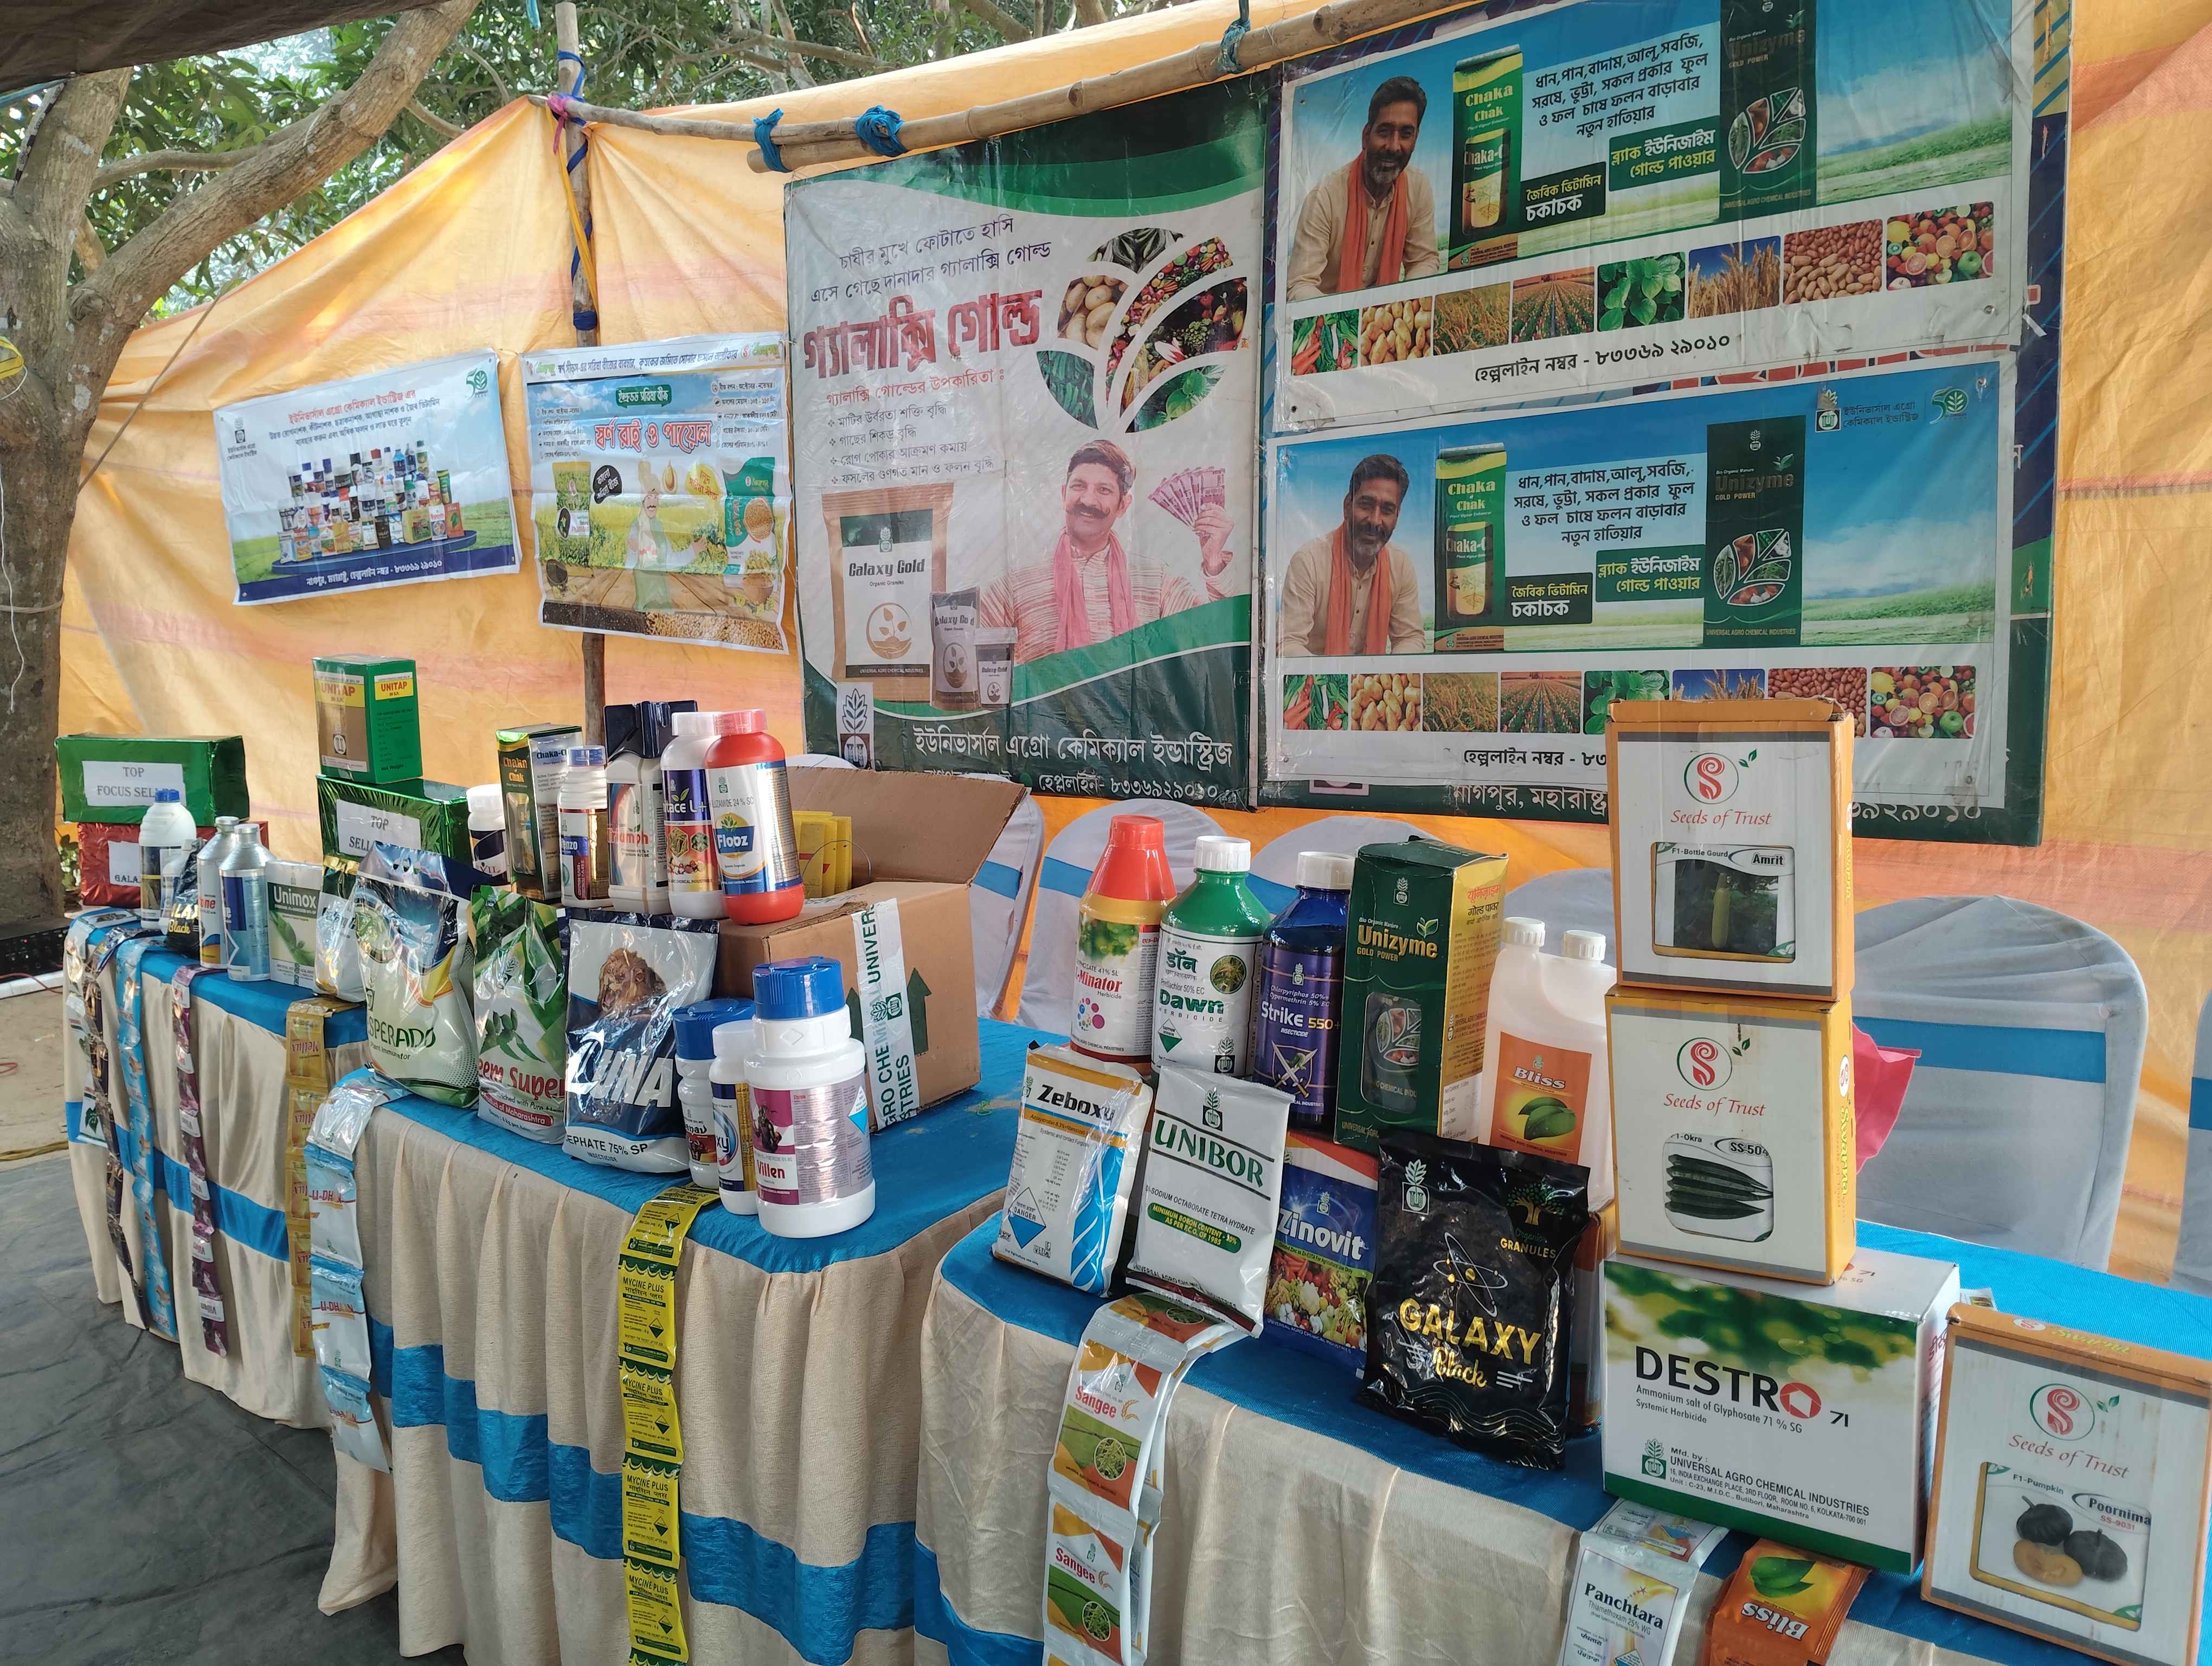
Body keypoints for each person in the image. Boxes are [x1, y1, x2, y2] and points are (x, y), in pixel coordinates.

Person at [981, 440, 1233, 664]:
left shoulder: (1156, 582)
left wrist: (1213, 562)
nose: (1088, 500)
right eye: (1079, 486)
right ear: (1064, 494)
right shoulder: (1018, 583)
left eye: (1104, 490)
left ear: (1123, 505)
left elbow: (1217, 638)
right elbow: (968, 653)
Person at [1285, 75, 1443, 306]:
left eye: (1406, 134)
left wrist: (1405, 307)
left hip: (1385, 322)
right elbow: (1300, 285)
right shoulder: (1325, 198)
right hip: (1331, 320)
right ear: (1366, 136)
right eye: (1384, 132)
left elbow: (1424, 260)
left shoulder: (1418, 188)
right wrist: (1344, 319)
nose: (1394, 147)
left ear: (1416, 139)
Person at [1277, 453, 1425, 656]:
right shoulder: (1309, 561)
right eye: (1366, 505)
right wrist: (1329, 676)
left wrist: (1388, 673)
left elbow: (1410, 638)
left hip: (1373, 678)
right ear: (1348, 506)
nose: (1375, 521)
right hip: (1316, 677)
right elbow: (1288, 643)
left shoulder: (1400, 566)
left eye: (1387, 510)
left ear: (1397, 516)